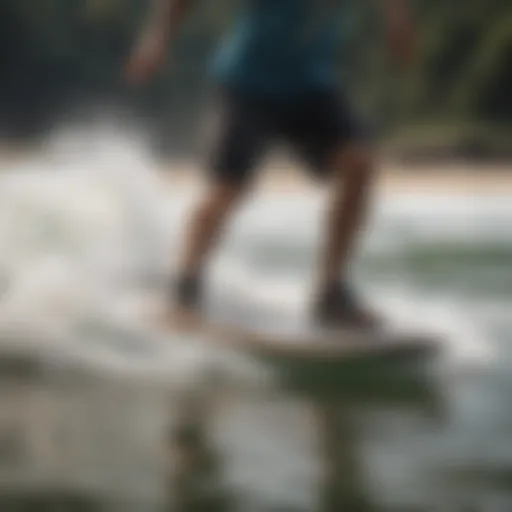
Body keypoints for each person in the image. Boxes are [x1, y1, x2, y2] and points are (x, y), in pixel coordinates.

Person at [126, 0, 415, 329]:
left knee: (359, 164)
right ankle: (184, 285)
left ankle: (330, 293)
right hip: (247, 88)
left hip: (310, 90)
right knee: (227, 190)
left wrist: (398, 20)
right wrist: (157, 38)